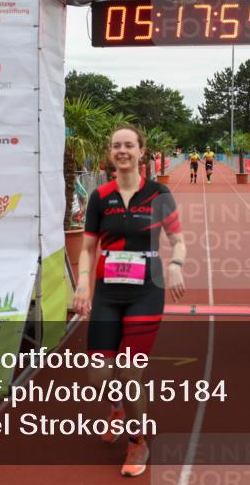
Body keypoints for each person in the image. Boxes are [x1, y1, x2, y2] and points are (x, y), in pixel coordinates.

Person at [72, 126, 186, 477]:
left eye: (129, 145)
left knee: (131, 371)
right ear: (110, 153)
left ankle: (138, 442)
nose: (122, 151)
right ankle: (118, 407)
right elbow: (88, 248)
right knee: (98, 375)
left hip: (145, 292)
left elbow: (178, 240)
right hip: (107, 291)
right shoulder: (100, 196)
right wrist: (83, 284)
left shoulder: (158, 194)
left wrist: (177, 265)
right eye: (116, 146)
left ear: (141, 151)